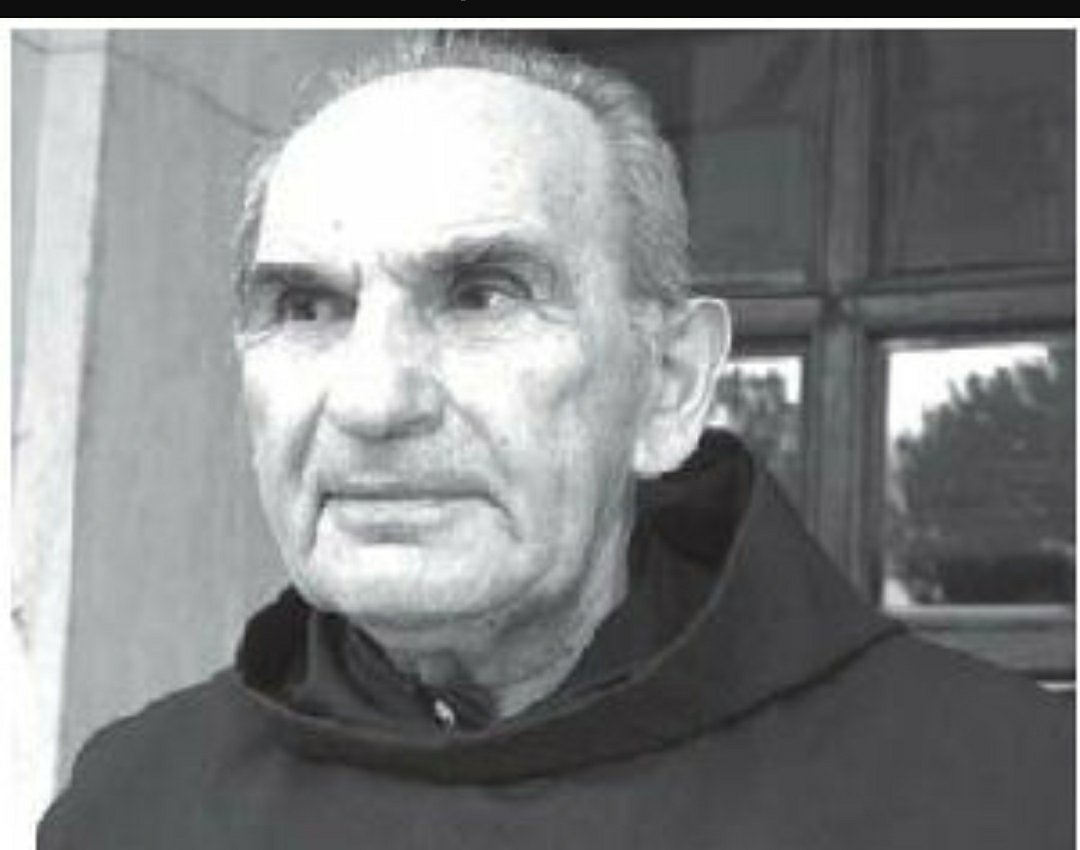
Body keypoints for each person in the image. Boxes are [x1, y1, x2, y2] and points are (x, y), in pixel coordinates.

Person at [39, 37, 1072, 849]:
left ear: (669, 385)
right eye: (307, 305)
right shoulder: (130, 804)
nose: (371, 400)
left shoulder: (1010, 793)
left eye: (483, 294)